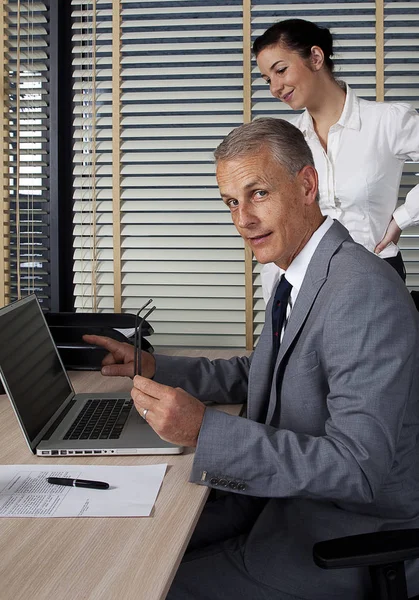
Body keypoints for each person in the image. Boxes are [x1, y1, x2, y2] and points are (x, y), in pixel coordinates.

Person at [84, 118, 419, 600]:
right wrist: (155, 367)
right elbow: (263, 370)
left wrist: (203, 431)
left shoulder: (360, 292)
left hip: (341, 535)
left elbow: (357, 467)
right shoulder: (301, 276)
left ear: (306, 185)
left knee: (132, 583)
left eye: (258, 193)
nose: (242, 219)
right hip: (277, 505)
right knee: (117, 543)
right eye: (231, 202)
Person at [253, 18, 419, 300]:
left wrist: (403, 218)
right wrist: (274, 305)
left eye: (281, 70)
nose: (275, 88)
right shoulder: (286, 138)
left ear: (316, 58)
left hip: (375, 279)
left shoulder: (387, 122)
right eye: (268, 80)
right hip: (306, 283)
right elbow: (278, 223)